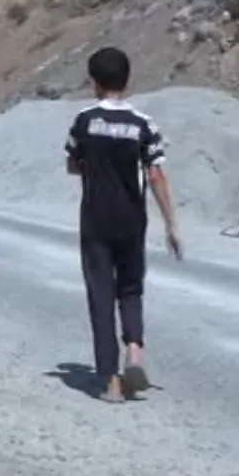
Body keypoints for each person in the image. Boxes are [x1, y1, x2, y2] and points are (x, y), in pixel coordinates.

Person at [64, 46, 182, 403]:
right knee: (130, 287)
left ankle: (112, 382)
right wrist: (172, 225)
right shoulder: (143, 124)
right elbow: (157, 173)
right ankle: (135, 350)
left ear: (94, 82)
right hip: (132, 219)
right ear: (127, 80)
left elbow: (72, 163)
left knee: (101, 295)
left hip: (95, 218)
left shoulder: (84, 121)